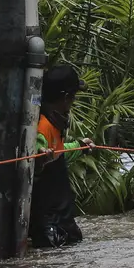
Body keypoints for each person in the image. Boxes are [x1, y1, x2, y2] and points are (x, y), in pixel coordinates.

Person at [31, 65, 94, 248]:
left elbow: (59, 153)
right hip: (50, 223)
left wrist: (80, 147)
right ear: (67, 98)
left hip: (62, 220)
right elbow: (34, 161)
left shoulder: (53, 123)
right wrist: (40, 159)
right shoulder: (42, 128)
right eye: (73, 97)